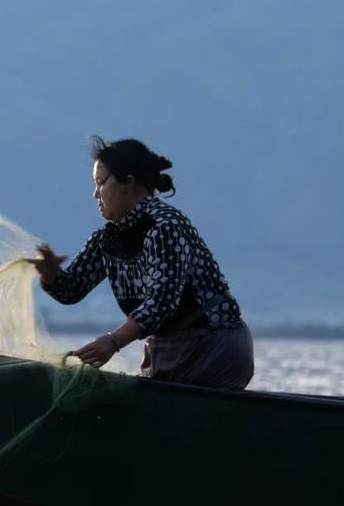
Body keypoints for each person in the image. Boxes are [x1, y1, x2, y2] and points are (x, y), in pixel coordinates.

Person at [34, 136, 254, 389]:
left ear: (128, 183)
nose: (95, 194)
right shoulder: (108, 237)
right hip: (170, 347)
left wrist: (114, 341)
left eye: (100, 183)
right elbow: (71, 289)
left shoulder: (165, 226)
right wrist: (50, 275)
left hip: (214, 344)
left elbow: (162, 302)